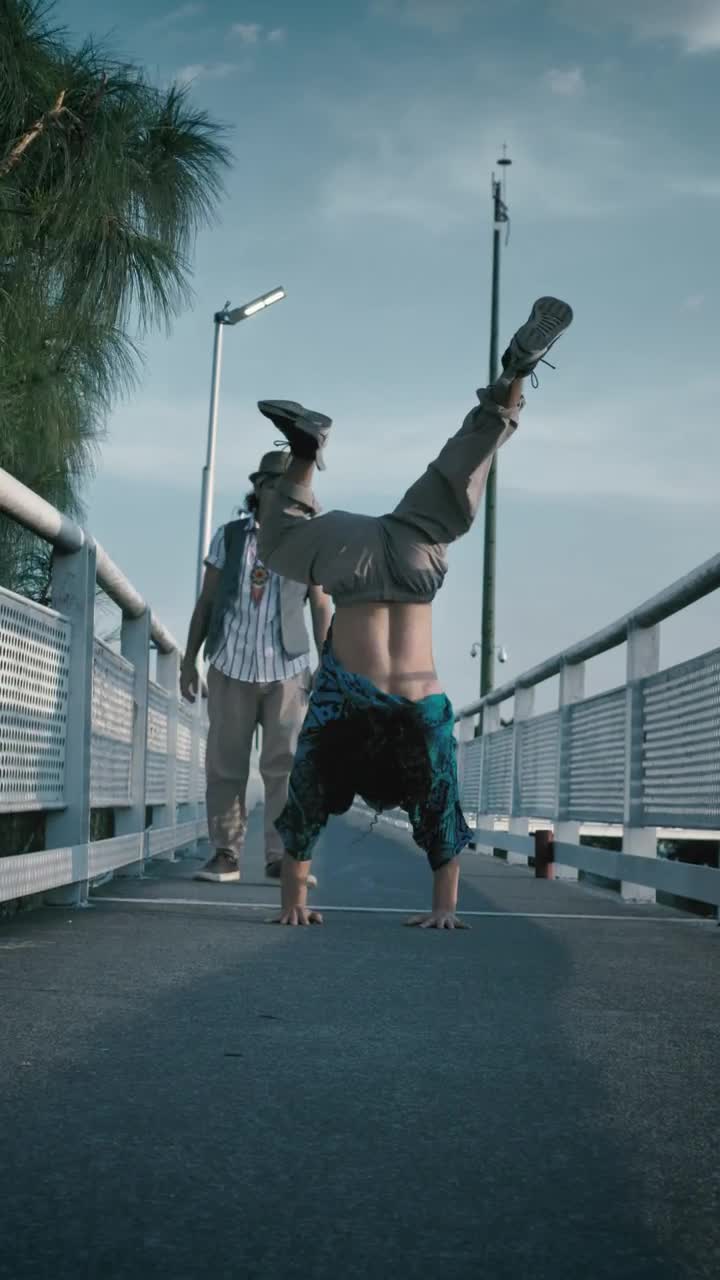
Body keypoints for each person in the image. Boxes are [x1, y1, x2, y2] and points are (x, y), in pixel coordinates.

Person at [255, 296, 573, 928]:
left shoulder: (422, 726)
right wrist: (296, 902)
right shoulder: (343, 725)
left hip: (413, 554)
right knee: (287, 537)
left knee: (462, 468)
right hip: (364, 559)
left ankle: (510, 381)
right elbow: (313, 802)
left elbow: (425, 810)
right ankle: (310, 449)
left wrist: (442, 910)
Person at [181, 453, 333, 884]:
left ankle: (281, 857)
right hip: (230, 663)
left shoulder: (308, 540)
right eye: (280, 486)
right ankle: (225, 854)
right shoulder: (229, 537)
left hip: (288, 669)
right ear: (261, 489)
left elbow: (320, 605)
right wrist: (189, 659)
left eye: (295, 489)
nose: (287, 495)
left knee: (285, 766)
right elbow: (207, 603)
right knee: (225, 764)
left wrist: (329, 667)